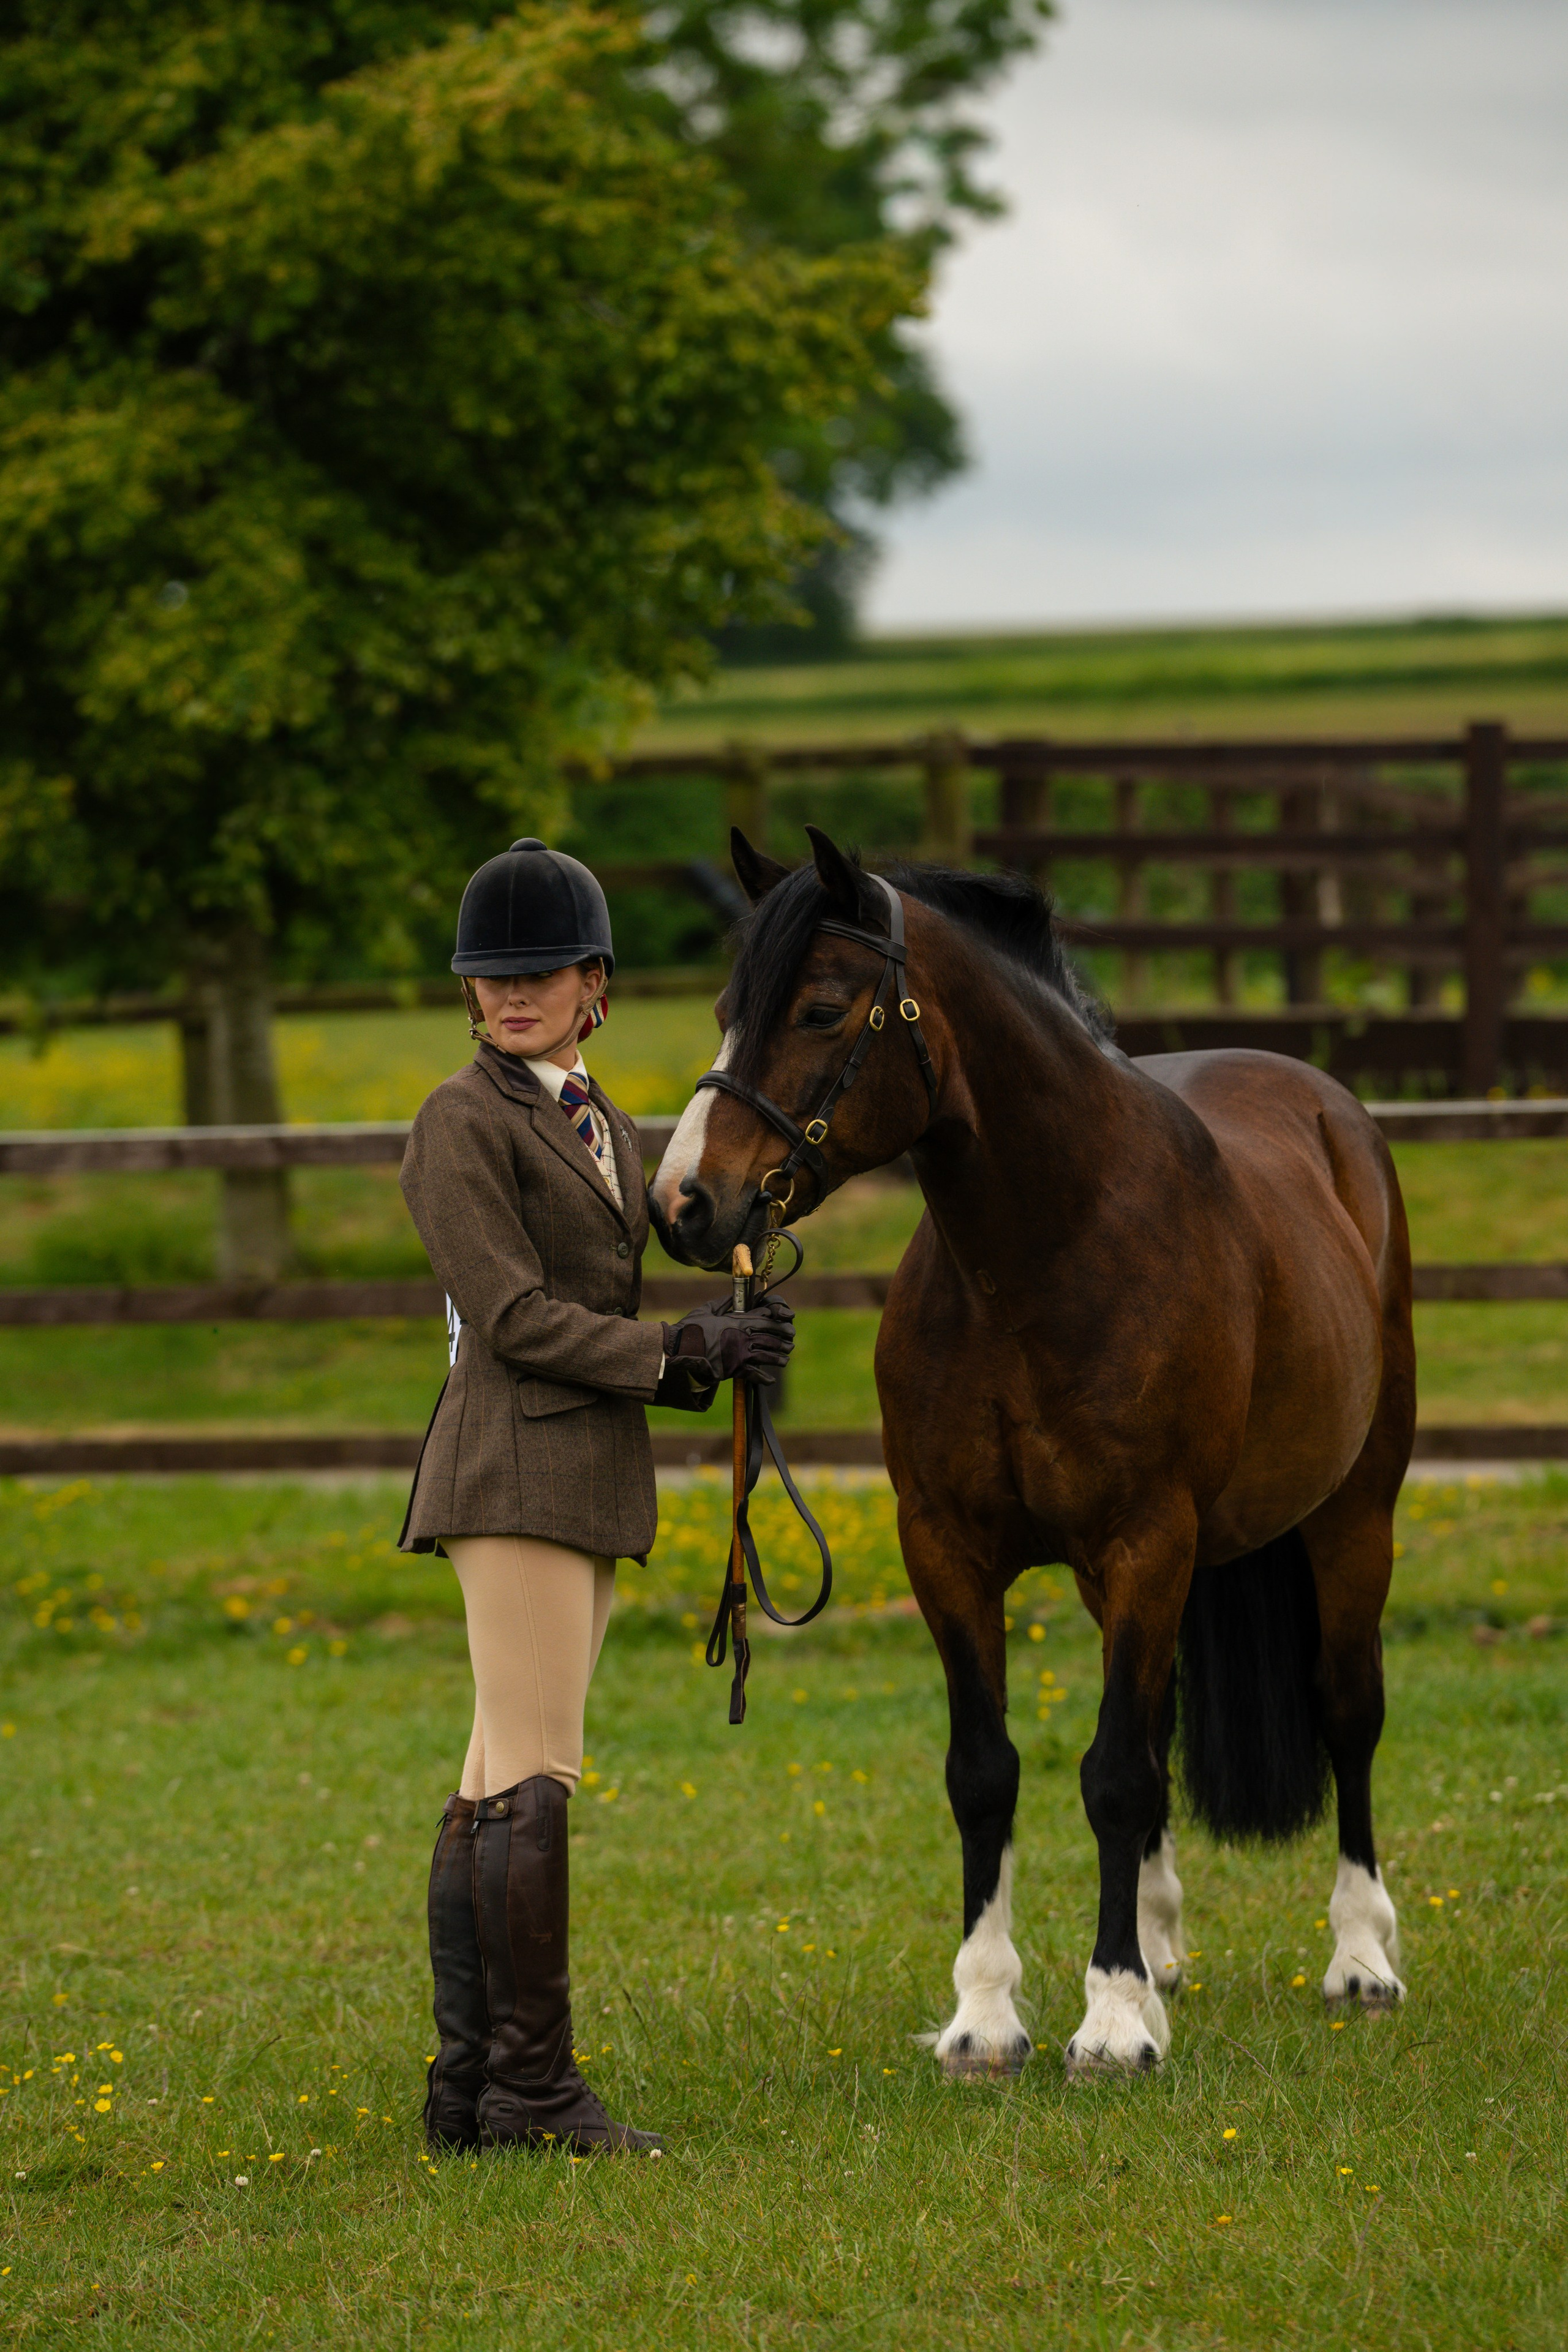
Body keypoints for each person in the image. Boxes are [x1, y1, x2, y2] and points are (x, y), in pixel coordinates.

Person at [398, 839, 793, 2158]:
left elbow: (662, 1220)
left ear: (593, 984)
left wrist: (733, 1295)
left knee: (491, 1777)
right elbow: (510, 1316)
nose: (509, 997)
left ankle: (470, 2090)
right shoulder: (460, 1122)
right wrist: (680, 1358)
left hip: (579, 1466)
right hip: (509, 1460)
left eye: (537, 974)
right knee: (535, 1775)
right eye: (489, 979)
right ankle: (530, 2090)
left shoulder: (592, 1118)